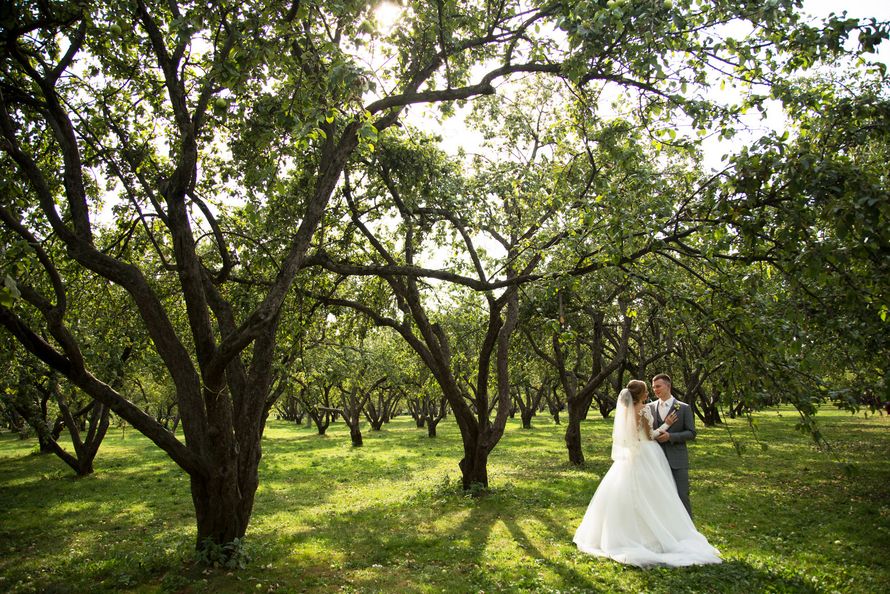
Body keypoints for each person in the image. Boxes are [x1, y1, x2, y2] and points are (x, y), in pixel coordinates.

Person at [572, 380, 721, 567]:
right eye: (646, 389)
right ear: (640, 394)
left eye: (655, 387)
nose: (649, 391)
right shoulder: (644, 409)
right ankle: (657, 534)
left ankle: (625, 534)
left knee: (628, 493)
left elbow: (629, 436)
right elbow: (650, 435)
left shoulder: (627, 411)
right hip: (648, 453)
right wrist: (666, 425)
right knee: (655, 493)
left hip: (632, 457)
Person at [648, 373, 695, 516]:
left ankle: (688, 530)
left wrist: (671, 437)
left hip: (677, 459)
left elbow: (691, 433)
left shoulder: (684, 408)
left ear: (668, 386)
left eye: (658, 386)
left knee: (682, 495)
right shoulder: (649, 408)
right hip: (655, 459)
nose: (655, 390)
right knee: (658, 496)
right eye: (653, 387)